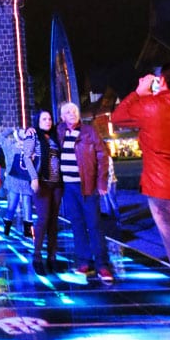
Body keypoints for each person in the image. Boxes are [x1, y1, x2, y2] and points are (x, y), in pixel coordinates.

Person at [112, 60, 170, 337]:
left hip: (165, 195)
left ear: (164, 82)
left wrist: (139, 90)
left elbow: (118, 117)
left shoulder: (151, 108)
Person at [57, 101, 113, 282]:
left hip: (87, 185)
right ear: (62, 117)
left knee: (95, 225)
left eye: (74, 110)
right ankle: (84, 262)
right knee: (77, 225)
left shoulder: (89, 131)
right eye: (67, 112)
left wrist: (102, 182)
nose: (72, 113)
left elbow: (102, 156)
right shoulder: (60, 132)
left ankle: (102, 265)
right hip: (69, 188)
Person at [30, 111, 63, 275]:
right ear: (38, 121)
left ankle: (52, 257)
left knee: (53, 222)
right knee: (43, 220)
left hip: (57, 183)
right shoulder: (34, 135)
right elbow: (27, 157)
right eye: (44, 119)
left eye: (50, 118)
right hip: (42, 183)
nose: (48, 121)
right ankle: (37, 257)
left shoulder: (56, 136)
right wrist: (33, 177)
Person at [1, 126, 37, 237]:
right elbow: (1, 137)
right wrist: (11, 130)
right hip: (16, 179)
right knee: (15, 204)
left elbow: (0, 136)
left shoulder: (29, 146)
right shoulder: (12, 146)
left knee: (24, 204)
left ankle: (25, 230)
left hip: (23, 179)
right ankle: (10, 227)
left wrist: (12, 130)